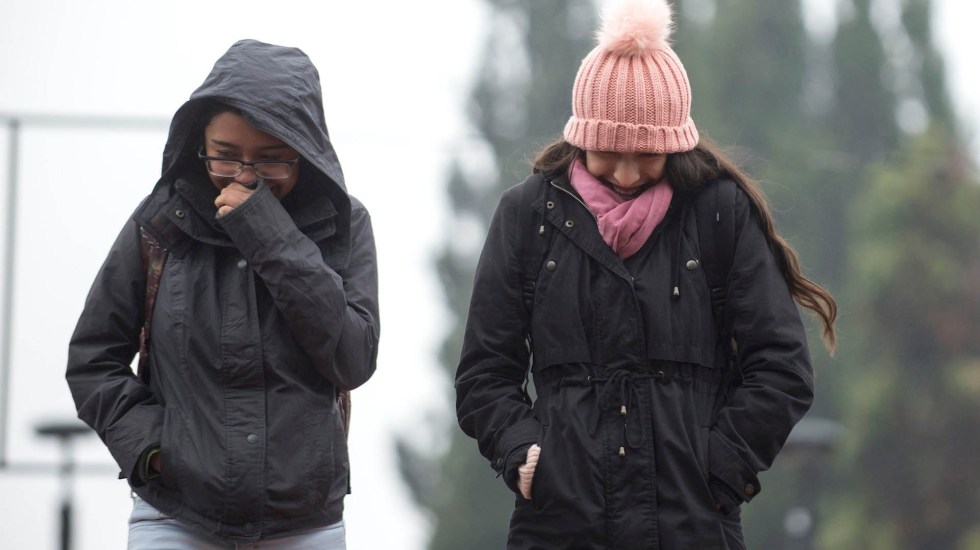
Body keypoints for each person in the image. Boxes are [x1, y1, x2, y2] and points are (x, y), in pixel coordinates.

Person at [454, 0, 837, 548]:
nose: (627, 173)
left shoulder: (719, 213)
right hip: (561, 527)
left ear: (675, 144)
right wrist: (524, 455)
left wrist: (721, 468)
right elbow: (484, 375)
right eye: (609, 152)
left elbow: (781, 367)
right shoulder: (526, 216)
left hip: (693, 526)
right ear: (581, 135)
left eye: (648, 154)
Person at [66, 39, 379, 549]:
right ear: (198, 143)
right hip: (176, 517)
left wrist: (268, 233)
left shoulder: (344, 225)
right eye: (226, 157)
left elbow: (352, 358)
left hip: (306, 523)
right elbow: (92, 359)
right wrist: (153, 451)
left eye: (273, 160)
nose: (246, 177)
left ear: (305, 151)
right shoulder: (159, 223)